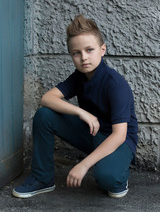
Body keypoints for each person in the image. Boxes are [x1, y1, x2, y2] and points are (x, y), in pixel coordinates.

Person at [12, 14, 138, 199]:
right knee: (44, 115)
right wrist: (81, 113)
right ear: (71, 55)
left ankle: (118, 174)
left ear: (102, 50)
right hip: (92, 132)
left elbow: (119, 135)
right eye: (76, 53)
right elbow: (47, 99)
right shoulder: (79, 77)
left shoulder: (115, 84)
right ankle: (42, 178)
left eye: (89, 50)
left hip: (118, 141)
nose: (83, 58)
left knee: (110, 182)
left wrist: (83, 165)